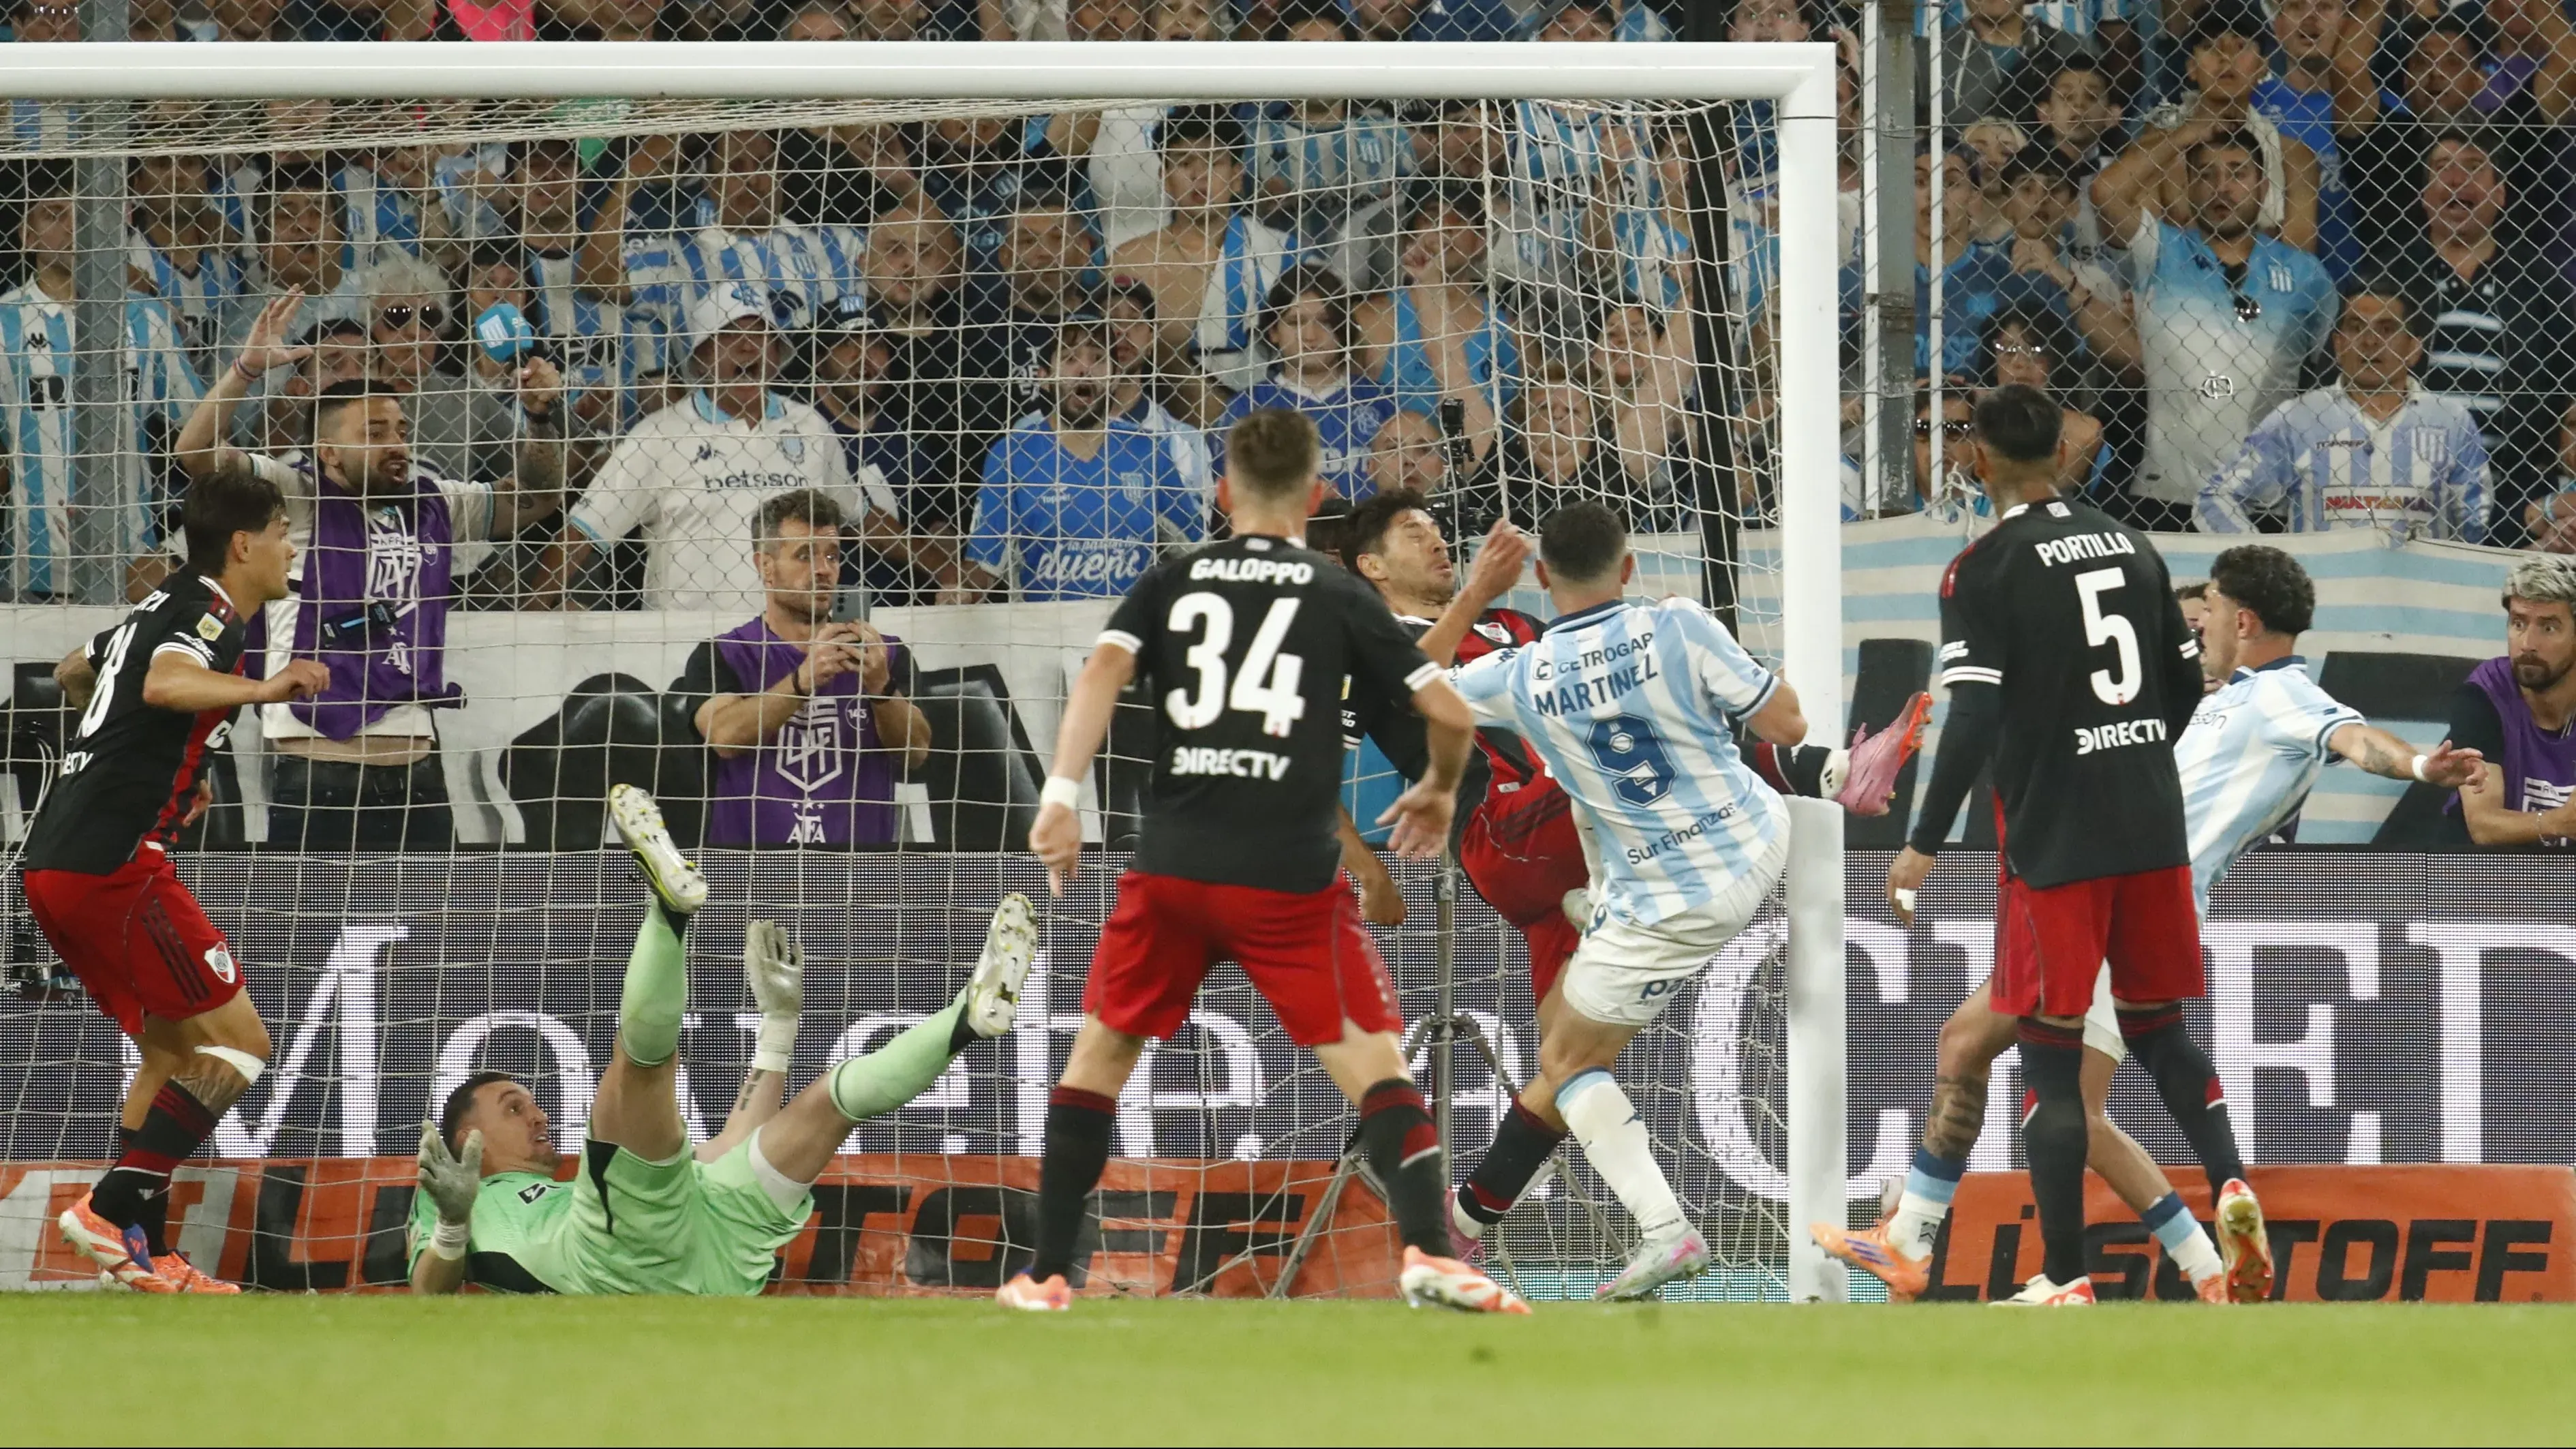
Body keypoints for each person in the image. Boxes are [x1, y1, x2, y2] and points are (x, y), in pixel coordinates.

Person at [1820, 542, 2484, 1304]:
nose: (2198, 629)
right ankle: (2184, 1266)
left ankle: (2064, 1272)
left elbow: (2358, 738)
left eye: (2210, 615)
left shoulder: (2285, 697)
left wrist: (2422, 767)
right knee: (1970, 1045)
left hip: (2127, 907)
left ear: (2244, 618)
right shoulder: (2224, 698)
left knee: (2069, 1103)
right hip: (2117, 894)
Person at [1002, 408, 1520, 1314]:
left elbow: (1100, 676)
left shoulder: (1174, 575)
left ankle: (1047, 1274)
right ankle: (1434, 1253)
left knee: (1097, 1060)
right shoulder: (1336, 591)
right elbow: (1450, 711)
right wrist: (1439, 789)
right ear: (1317, 497)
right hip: (1287, 876)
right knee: (1377, 1070)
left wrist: (1059, 798)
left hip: (1174, 866)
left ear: (1222, 493)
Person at [1332, 490, 1927, 1263]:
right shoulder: (1375, 636)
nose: (1442, 544)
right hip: (1508, 835)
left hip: (1592, 848)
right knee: (1668, 737)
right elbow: (1376, 707)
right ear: (1371, 564)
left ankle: (1468, 1220)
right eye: (1415, 534)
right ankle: (1830, 772)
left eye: (1442, 530)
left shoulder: (1514, 630)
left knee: (1568, 1060)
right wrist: (1366, 868)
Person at [411, 785, 1036, 1294]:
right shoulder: (454, 1198)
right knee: (633, 1076)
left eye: (530, 1100)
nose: (538, 1113)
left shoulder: (577, 1191)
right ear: (467, 1138)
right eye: (513, 1107)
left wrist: (779, 1023)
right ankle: (667, 912)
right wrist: (452, 1223)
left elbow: (735, 1148)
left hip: (712, 1255)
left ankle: (968, 1020)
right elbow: (426, 1292)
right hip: (617, 1263)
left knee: (830, 1101)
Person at [1879, 384, 2222, 1307]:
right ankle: (2221, 1216)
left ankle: (2067, 1272)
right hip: (2150, 824)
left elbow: (1977, 710)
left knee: (2050, 1060)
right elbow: (2187, 688)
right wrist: (2128, 749)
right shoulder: (2133, 542)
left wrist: (1921, 841)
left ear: (1976, 459)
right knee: (2150, 1034)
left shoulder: (1981, 569)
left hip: (2057, 839)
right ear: (2067, 453)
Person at [1437, 501, 1806, 1300]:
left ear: (1540, 577)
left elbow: (1417, 691)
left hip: (1677, 899)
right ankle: (1599, 900)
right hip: (1759, 836)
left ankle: (1667, 1233)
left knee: (1565, 1059)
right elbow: (1787, 719)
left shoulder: (1522, 670)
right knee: (1681, 767)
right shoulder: (1679, 623)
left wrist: (1472, 595)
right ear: (1630, 567)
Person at [22, 468, 331, 1293]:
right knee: (241, 1045)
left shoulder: (157, 606)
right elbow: (162, 682)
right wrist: (264, 687)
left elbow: (71, 671)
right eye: (281, 531)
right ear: (243, 544)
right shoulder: (207, 615)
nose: (290, 545)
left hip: (55, 858)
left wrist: (156, 766)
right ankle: (107, 1208)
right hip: (116, 862)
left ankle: (140, 1252)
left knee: (165, 1050)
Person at [177, 293, 567, 851]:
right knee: (306, 936)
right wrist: (247, 370)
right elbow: (194, 454)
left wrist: (538, 416)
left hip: (415, 757)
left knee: (432, 936)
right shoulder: (296, 494)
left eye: (401, 430)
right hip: (316, 760)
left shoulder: (435, 501)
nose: (398, 446)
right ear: (328, 452)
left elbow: (538, 499)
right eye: (376, 433)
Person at [548, 282, 878, 613]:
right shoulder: (659, 435)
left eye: (761, 335)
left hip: (794, 641)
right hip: (686, 647)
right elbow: (584, 529)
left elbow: (857, 514)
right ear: (700, 360)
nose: (748, 347)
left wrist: (929, 558)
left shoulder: (811, 427)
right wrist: (532, 608)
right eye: (730, 336)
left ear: (777, 355)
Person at [2087, 125, 2337, 528]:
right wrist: (2185, 135)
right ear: (2190, 188)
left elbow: (2323, 368)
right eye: (2206, 174)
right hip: (2168, 492)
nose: (2222, 186)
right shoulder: (2161, 252)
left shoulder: (2306, 275)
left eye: (2238, 172)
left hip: (2267, 496)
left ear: (2262, 187)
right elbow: (2106, 193)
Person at [673, 489, 930, 848]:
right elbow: (724, 736)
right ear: (766, 566)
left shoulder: (884, 654)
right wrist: (802, 680)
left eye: (832, 556)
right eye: (805, 555)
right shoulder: (725, 653)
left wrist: (881, 687)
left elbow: (916, 753)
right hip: (748, 881)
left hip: (858, 881)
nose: (824, 569)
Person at [0, 172, 206, 602]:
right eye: (54, 215)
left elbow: (208, 436)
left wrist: (175, 551)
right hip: (30, 578)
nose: (75, 227)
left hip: (133, 573)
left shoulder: (147, 319)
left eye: (88, 215)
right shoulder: (3, 324)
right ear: (24, 234)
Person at [2377, 134, 2576, 543]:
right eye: (2441, 168)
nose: (2454, 179)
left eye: (2471, 167)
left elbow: (2567, 395)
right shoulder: (2387, 280)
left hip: (2515, 490)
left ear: (2499, 194)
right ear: (2424, 196)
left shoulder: (2542, 286)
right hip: (2399, 483)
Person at [2200, 282, 2490, 543]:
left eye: (2387, 329)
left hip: (2420, 596)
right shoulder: (2299, 418)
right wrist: (2261, 563)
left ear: (2414, 349)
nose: (2370, 341)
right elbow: (2215, 498)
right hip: (2321, 597)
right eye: (2356, 327)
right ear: (2338, 345)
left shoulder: (2451, 421)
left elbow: (2477, 524)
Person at [949, 314, 1201, 602]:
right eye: (1070, 359)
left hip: (1125, 635)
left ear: (1115, 378)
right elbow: (985, 564)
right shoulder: (1013, 454)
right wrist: (962, 593)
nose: (1084, 370)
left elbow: (1195, 548)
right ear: (1044, 379)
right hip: (1042, 639)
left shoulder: (1147, 451)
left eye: (1097, 358)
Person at [2101, 9, 2321, 258]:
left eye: (2240, 46)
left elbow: (2297, 263)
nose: (2226, 57)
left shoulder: (2294, 157)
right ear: (2191, 68)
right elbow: (2142, 245)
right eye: (2210, 46)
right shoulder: (2159, 147)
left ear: (2262, 67)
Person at [1107, 108, 1290, 401]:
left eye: (1214, 162)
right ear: (1165, 178)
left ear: (1236, 177)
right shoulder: (1133, 261)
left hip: (1263, 430)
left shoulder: (1280, 252)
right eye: (1185, 163)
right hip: (1158, 433)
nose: (1199, 176)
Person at [1355, 183, 1518, 463]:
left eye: (1459, 219)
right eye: (1431, 218)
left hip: (1475, 478)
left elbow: (1517, 424)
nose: (1445, 229)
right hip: (1393, 481)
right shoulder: (1372, 319)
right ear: (1409, 238)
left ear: (1481, 242)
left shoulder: (1509, 332)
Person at [1214, 266, 1400, 502]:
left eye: (1325, 321)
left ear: (1343, 329)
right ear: (1274, 331)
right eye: (1296, 322)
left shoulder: (1381, 401)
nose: (1311, 336)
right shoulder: (1247, 407)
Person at [2440, 554, 2576, 849]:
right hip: (2491, 877)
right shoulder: (2484, 695)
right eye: (2518, 623)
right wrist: (2558, 822)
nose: (2527, 643)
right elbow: (2484, 825)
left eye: (2548, 627)